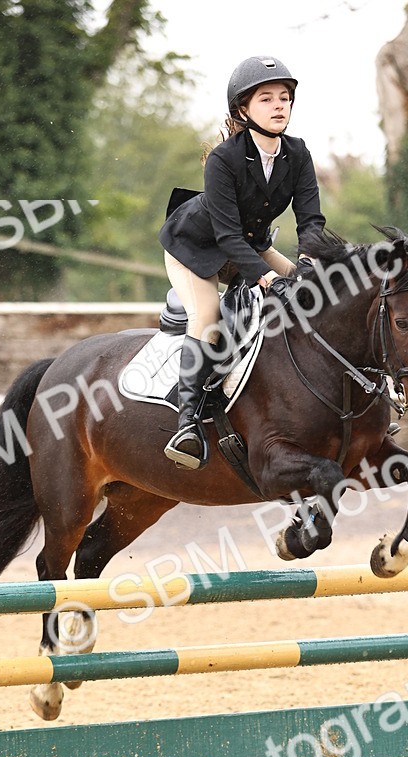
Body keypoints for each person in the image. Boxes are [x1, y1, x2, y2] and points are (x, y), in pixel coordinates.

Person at [158, 55, 327, 469]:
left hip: (249, 245)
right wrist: (266, 278)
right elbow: (227, 236)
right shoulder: (224, 160)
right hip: (195, 249)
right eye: (266, 98)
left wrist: (306, 262)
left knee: (323, 291)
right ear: (243, 110)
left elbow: (311, 219)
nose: (278, 105)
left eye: (284, 98)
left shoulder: (298, 153)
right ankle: (188, 423)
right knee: (208, 315)